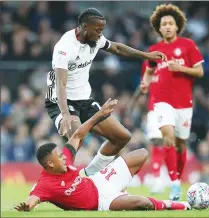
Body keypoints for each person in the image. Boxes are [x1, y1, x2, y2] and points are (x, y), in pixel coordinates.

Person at [45, 7, 166, 178]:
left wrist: (146, 55)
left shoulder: (95, 39)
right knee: (76, 136)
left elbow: (117, 48)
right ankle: (53, 182)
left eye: (102, 30)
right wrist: (65, 114)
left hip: (84, 99)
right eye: (98, 30)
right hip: (61, 100)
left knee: (122, 137)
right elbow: (61, 84)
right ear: (85, 27)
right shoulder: (64, 48)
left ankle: (88, 175)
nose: (100, 34)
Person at [14, 99, 191, 212]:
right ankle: (178, 205)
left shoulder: (65, 159)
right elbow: (33, 199)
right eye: (59, 156)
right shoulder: (45, 185)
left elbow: (78, 135)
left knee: (142, 153)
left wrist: (98, 115)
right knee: (140, 203)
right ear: (50, 164)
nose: (64, 157)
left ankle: (121, 187)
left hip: (100, 181)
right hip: (101, 202)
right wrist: (27, 206)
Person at [140, 4, 204, 200]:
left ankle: (177, 179)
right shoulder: (155, 50)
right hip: (161, 102)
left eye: (170, 23)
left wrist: (181, 69)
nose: (167, 26)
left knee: (180, 144)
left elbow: (199, 72)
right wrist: (146, 82)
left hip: (184, 103)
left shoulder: (188, 45)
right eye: (163, 24)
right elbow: (150, 70)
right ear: (159, 28)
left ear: (177, 27)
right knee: (166, 136)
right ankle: (174, 183)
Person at [141, 60, 165, 194]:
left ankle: (171, 178)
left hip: (170, 108)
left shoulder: (173, 63)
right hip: (153, 109)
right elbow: (145, 85)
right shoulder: (147, 63)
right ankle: (157, 180)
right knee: (156, 143)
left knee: (169, 143)